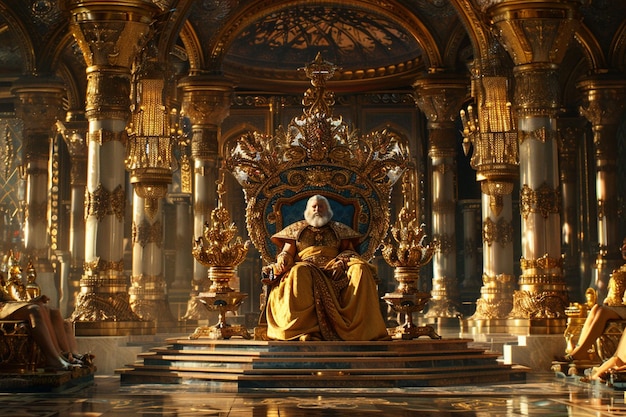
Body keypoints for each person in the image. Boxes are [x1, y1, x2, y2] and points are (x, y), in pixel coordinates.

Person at [263, 194, 390, 341]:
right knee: (298, 271)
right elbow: (286, 252)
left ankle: (360, 329)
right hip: (307, 267)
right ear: (308, 209)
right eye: (314, 206)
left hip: (334, 268)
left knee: (360, 268)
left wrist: (341, 263)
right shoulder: (296, 230)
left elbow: (349, 252)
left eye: (321, 206)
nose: (317, 209)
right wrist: (284, 258)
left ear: (327, 209)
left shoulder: (339, 229)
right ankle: (305, 331)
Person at [0, 256, 91, 371]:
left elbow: (6, 297)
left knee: (49, 310)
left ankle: (62, 354)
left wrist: (28, 301)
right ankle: (53, 359)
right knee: (34, 310)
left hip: (5, 303)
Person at [559, 237, 626, 363]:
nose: (624, 248)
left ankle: (580, 352)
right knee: (595, 308)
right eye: (623, 245)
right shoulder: (622, 268)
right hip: (619, 306)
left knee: (602, 312)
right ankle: (580, 350)